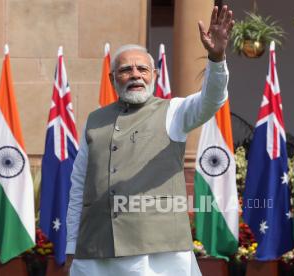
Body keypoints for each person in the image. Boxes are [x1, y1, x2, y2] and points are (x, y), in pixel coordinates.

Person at [65, 5, 234, 276]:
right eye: (126, 70)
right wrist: (72, 245)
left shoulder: (175, 112)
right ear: (112, 79)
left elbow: (211, 99)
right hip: (95, 250)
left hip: (157, 254)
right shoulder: (94, 121)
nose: (135, 75)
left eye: (142, 69)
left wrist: (216, 58)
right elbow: (78, 187)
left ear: (153, 75)